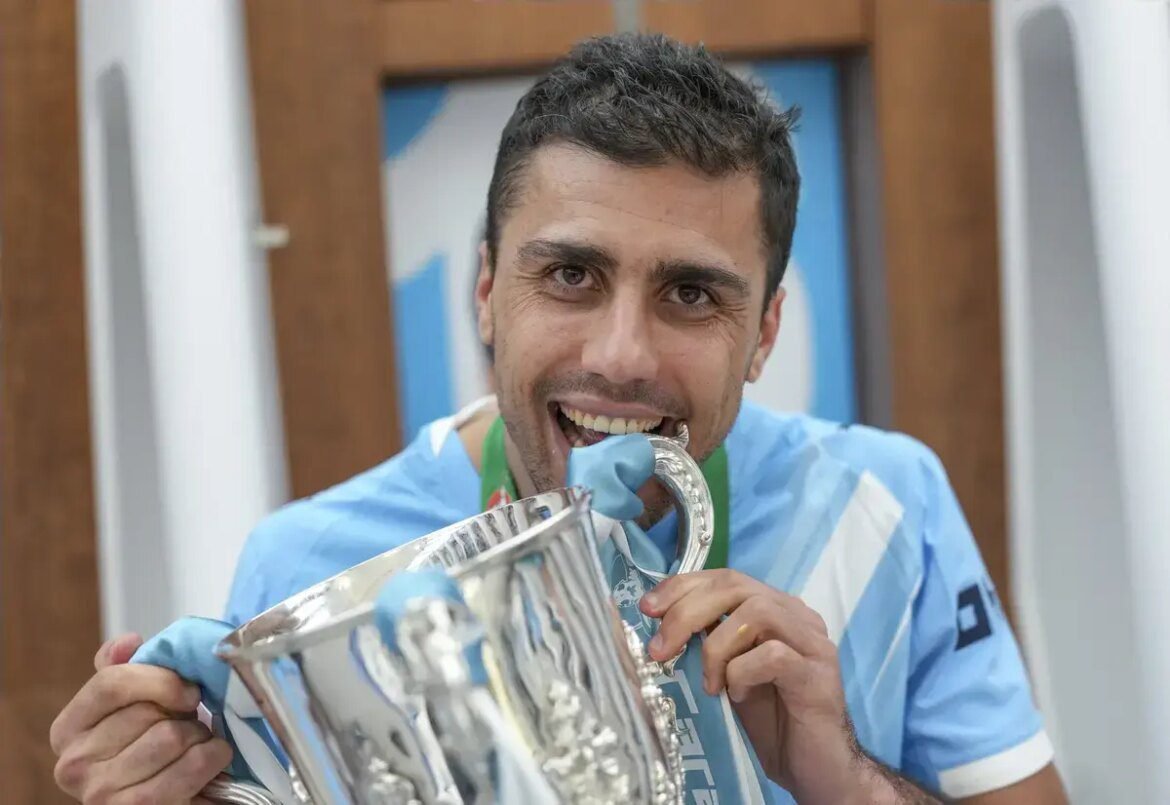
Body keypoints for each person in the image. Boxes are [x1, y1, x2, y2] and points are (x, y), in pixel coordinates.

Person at [49, 33, 1067, 804]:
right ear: (487, 292)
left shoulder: (886, 505)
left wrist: (841, 777)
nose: (621, 356)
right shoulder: (308, 572)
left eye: (691, 294)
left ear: (764, 333)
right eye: (571, 275)